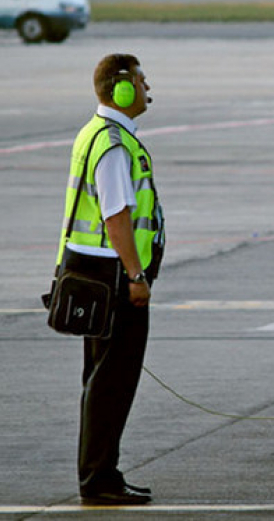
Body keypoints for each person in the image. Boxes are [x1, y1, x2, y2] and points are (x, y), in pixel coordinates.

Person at [55, 53, 164, 505]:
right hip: (113, 279)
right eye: (141, 80)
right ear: (121, 90)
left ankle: (103, 472)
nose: (148, 88)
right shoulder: (114, 144)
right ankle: (98, 478)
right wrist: (136, 276)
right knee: (111, 382)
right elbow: (116, 218)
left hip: (93, 275)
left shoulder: (94, 133)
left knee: (103, 380)